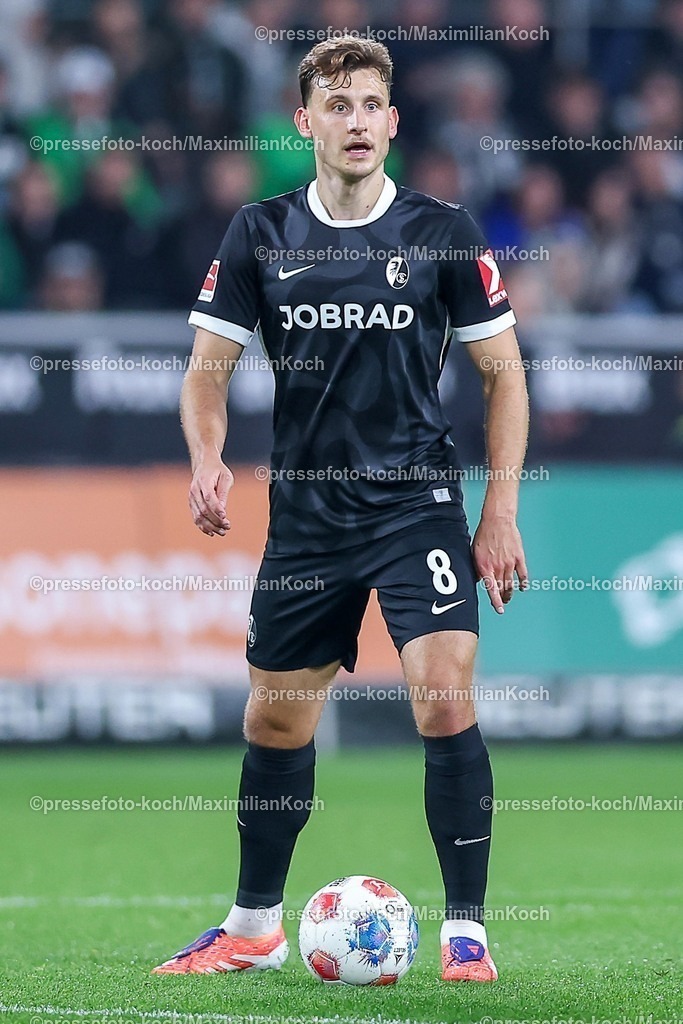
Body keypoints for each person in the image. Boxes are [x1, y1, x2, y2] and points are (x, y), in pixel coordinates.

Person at [153, 35, 529, 982]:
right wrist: (207, 457)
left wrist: (498, 512)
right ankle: (252, 926)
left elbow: (504, 379)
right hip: (309, 520)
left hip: (417, 509)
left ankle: (466, 935)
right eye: (337, 105)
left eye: (370, 105)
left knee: (443, 696)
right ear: (306, 121)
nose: (355, 121)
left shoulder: (441, 232)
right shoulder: (260, 233)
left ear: (392, 123)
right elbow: (207, 370)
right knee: (275, 725)